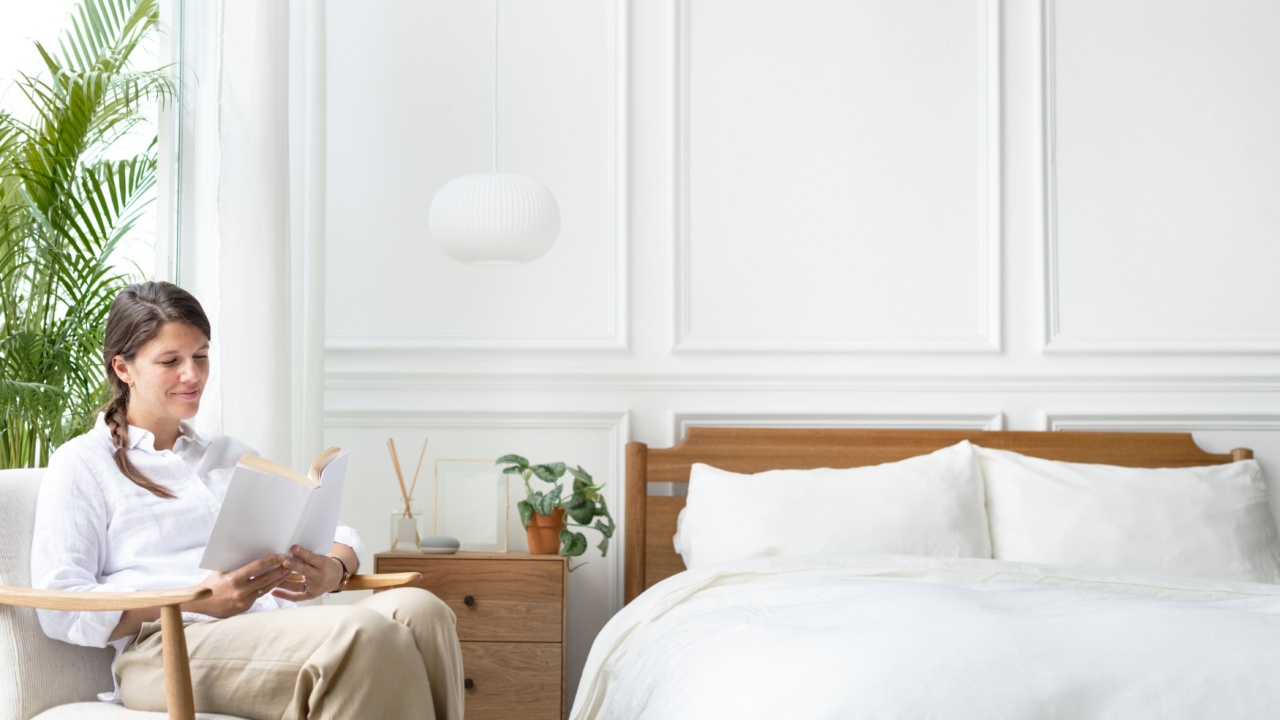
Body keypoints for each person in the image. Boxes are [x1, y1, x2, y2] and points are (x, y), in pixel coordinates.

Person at [30, 281, 464, 720]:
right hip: (167, 649)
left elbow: (325, 530)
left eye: (200, 356)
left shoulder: (229, 454)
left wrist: (334, 567)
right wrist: (196, 600)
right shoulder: (83, 463)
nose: (193, 375)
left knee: (423, 611)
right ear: (123, 368)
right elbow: (61, 605)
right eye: (170, 361)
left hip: (264, 627)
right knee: (361, 631)